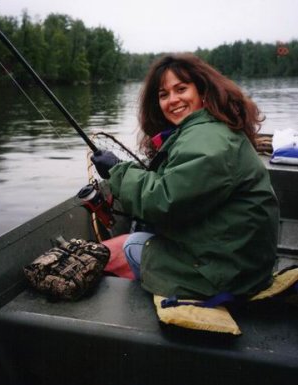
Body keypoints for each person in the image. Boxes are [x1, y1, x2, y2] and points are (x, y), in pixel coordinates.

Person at [91, 53, 279, 299]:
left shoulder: (207, 140)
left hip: (227, 274)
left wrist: (118, 171)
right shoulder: (210, 128)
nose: (173, 100)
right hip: (241, 259)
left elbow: (164, 201)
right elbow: (182, 188)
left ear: (202, 91)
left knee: (123, 247)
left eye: (181, 89)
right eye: (163, 94)